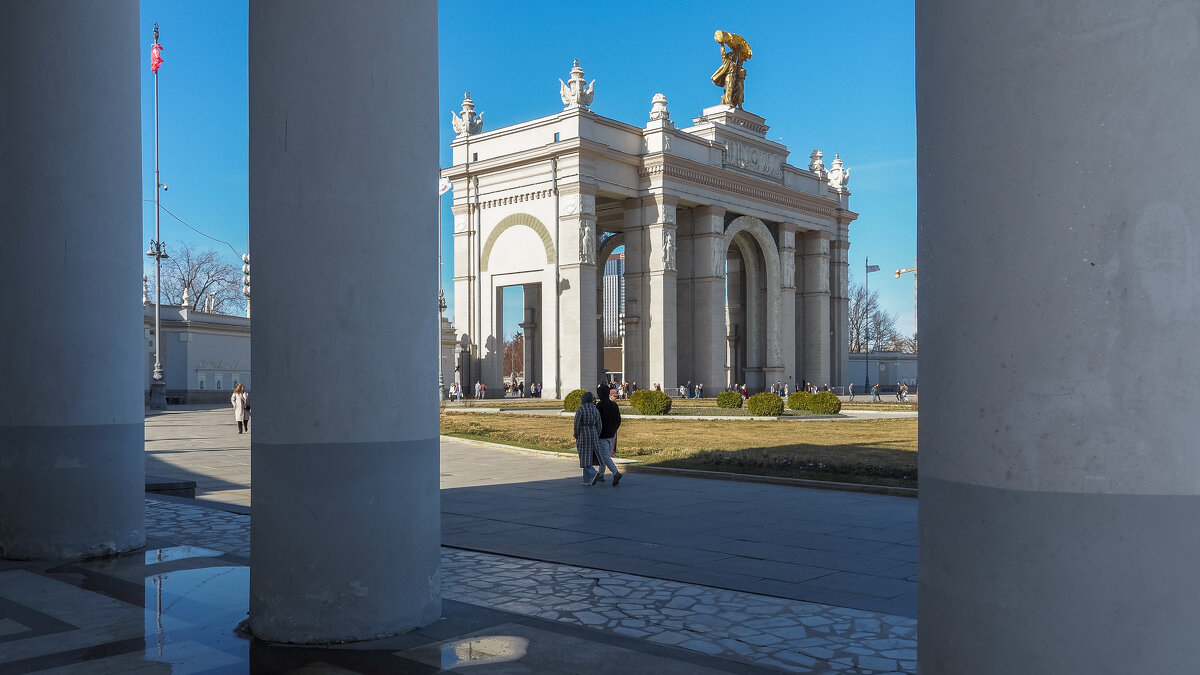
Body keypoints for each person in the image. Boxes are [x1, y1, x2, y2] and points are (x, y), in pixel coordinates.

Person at [594, 384, 623, 486]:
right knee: (603, 454)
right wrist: (614, 428)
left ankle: (615, 473)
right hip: (611, 434)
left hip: (602, 435)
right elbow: (618, 420)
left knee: (605, 455)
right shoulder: (614, 405)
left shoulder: (599, 406)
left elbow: (597, 421)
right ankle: (601, 474)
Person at [574, 391, 604, 485]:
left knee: (584, 456)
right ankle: (586, 480)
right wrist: (596, 434)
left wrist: (576, 434)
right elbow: (599, 425)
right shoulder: (595, 410)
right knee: (589, 456)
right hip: (593, 433)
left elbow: (577, 424)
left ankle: (594, 473)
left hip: (583, 434)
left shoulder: (581, 410)